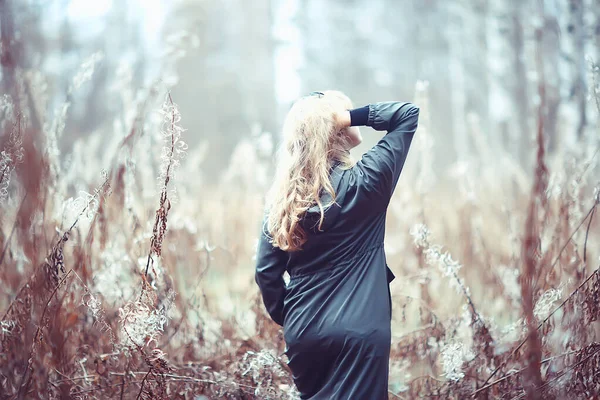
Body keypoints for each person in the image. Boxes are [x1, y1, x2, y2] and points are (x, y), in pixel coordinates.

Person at [255, 90, 420, 399]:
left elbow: (266, 273)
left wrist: (290, 316)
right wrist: (348, 117)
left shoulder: (282, 202)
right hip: (361, 330)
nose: (350, 110)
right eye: (344, 109)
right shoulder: (367, 182)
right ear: (335, 126)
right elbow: (406, 114)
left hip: (304, 329)